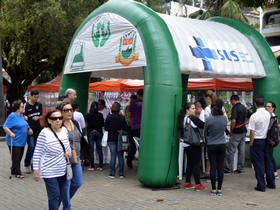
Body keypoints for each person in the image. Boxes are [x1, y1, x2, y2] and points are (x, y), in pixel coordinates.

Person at [33, 109, 71, 210]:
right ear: (49, 121)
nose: (58, 120)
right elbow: (37, 152)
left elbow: (67, 147)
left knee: (61, 195)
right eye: (54, 118)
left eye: (60, 118)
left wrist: (68, 152)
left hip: (63, 170)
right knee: (54, 196)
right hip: (49, 171)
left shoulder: (64, 130)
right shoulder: (44, 133)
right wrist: (36, 170)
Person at [248, 96, 275, 192]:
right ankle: (271, 183)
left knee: (259, 164)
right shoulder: (269, 114)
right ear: (263, 104)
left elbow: (252, 132)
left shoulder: (254, 116)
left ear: (255, 104)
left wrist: (251, 144)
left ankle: (261, 185)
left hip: (257, 141)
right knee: (268, 162)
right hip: (267, 141)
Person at [58, 102, 83, 202]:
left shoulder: (75, 122)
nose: (69, 112)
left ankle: (62, 200)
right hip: (65, 159)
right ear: (61, 112)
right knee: (66, 185)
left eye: (70, 110)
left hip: (77, 157)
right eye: (66, 110)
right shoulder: (59, 125)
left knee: (78, 183)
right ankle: (65, 205)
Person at [178, 103, 206, 191]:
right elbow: (203, 125)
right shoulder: (193, 118)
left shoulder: (184, 119)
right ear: (187, 110)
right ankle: (198, 184)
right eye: (192, 108)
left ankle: (187, 182)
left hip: (187, 143)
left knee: (190, 163)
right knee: (196, 164)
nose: (195, 110)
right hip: (195, 144)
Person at [204, 99, 228, 196]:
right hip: (222, 144)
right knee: (220, 167)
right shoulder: (224, 119)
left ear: (212, 109)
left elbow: (205, 133)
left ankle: (213, 189)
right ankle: (220, 189)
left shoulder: (209, 119)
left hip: (211, 145)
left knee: (213, 167)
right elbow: (224, 129)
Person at [3, 100, 31, 179]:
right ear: (17, 108)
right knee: (16, 157)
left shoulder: (22, 116)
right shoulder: (12, 115)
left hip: (22, 141)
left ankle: (13, 169)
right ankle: (18, 173)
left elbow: (25, 124)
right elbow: (5, 126)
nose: (23, 108)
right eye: (22, 107)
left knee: (19, 157)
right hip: (14, 141)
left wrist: (29, 129)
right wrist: (10, 133)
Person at [224, 95, 250, 174]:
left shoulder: (235, 108)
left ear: (234, 100)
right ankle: (240, 168)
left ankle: (229, 168)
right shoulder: (244, 107)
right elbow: (251, 115)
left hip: (236, 131)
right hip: (243, 131)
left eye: (231, 101)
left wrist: (231, 131)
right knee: (241, 150)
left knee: (230, 150)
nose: (231, 103)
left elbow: (233, 121)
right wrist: (245, 123)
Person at [105, 102, 128, 178]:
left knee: (113, 156)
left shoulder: (109, 117)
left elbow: (106, 128)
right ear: (119, 109)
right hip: (120, 139)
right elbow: (125, 128)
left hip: (111, 138)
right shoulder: (122, 117)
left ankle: (112, 174)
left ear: (112, 108)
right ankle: (121, 174)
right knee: (121, 156)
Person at [24, 89, 43, 174]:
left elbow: (41, 115)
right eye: (34, 97)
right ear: (30, 96)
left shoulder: (39, 105)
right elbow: (24, 118)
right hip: (29, 130)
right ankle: (27, 164)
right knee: (31, 146)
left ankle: (34, 165)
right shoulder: (26, 105)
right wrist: (29, 128)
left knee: (37, 148)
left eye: (37, 97)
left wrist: (38, 117)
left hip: (38, 129)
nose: (36, 99)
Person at [85, 101, 104, 171]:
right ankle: (101, 166)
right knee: (99, 149)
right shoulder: (100, 115)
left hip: (91, 132)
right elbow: (103, 124)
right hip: (99, 132)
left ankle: (92, 166)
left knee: (91, 149)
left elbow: (86, 124)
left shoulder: (88, 115)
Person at [127, 89, 143, 168]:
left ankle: (129, 158)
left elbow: (129, 116)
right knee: (143, 146)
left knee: (132, 145)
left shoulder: (132, 104)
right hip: (143, 129)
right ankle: (143, 162)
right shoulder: (146, 104)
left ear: (137, 95)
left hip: (134, 128)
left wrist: (131, 125)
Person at [265, 101, 279, 179]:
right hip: (272, 139)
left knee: (268, 156)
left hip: (269, 139)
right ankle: (274, 172)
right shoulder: (274, 116)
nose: (266, 108)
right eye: (266, 106)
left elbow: (268, 128)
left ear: (273, 108)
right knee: (270, 155)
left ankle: (272, 173)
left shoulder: (271, 117)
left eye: (269, 106)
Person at [98, 99, 110, 165]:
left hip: (105, 130)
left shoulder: (106, 111)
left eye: (99, 104)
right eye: (98, 104)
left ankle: (105, 159)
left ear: (103, 105)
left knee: (105, 145)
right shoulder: (96, 111)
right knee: (98, 145)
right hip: (99, 130)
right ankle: (97, 160)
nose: (98, 106)